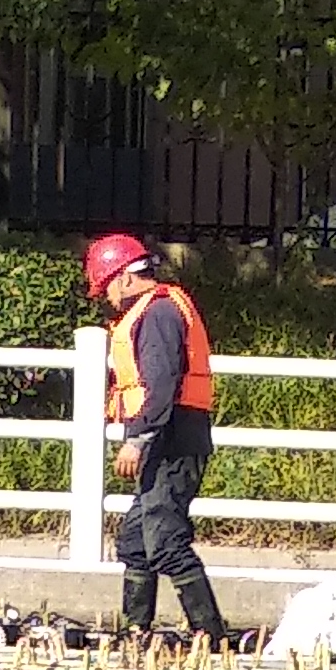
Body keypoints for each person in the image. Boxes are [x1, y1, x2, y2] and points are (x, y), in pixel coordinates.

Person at [84, 232, 227, 644]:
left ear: (127, 278)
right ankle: (136, 632)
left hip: (173, 441)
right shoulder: (155, 310)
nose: (107, 297)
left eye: (107, 286)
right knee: (135, 541)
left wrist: (138, 437)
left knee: (165, 540)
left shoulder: (159, 313)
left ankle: (210, 638)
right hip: (166, 438)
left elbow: (160, 384)